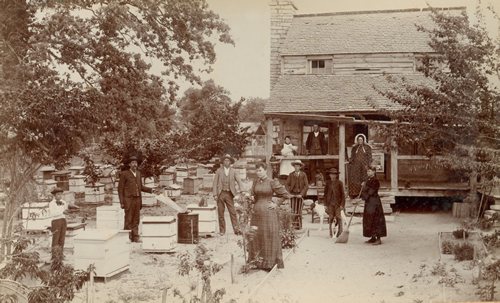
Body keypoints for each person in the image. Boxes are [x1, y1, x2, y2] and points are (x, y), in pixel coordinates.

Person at [248, 162, 292, 270]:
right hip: (257, 213)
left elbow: (286, 195)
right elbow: (254, 195)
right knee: (257, 235)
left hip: (268, 213)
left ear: (265, 171)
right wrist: (251, 198)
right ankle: (257, 262)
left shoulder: (272, 182)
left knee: (268, 235)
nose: (258, 173)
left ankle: (269, 263)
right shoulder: (255, 182)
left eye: (260, 170)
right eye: (257, 171)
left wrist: (276, 203)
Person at [118, 155, 157, 243]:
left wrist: (151, 190)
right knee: (128, 219)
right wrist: (122, 202)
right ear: (129, 164)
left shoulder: (139, 174)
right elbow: (120, 189)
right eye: (132, 163)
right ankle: (127, 237)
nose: (134, 165)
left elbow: (141, 187)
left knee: (136, 219)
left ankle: (135, 237)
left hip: (137, 200)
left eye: (135, 163)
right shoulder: (124, 174)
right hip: (128, 200)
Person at [212, 154, 243, 236]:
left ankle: (236, 230)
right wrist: (215, 194)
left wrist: (242, 191)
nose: (226, 162)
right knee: (220, 213)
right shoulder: (219, 171)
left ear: (230, 162)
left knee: (233, 212)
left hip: (230, 194)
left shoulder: (233, 171)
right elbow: (215, 183)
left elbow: (239, 181)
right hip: (221, 193)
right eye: (225, 160)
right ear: (223, 162)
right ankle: (222, 230)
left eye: (228, 160)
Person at [360, 166, 387, 245]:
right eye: (367, 171)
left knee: (376, 219)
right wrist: (363, 187)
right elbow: (366, 191)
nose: (368, 172)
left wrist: (364, 187)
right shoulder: (368, 180)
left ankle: (378, 239)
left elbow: (371, 192)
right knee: (369, 219)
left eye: (370, 171)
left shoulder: (375, 181)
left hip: (374, 202)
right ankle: (372, 237)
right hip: (369, 202)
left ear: (374, 172)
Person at [49, 187, 77, 260]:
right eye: (58, 194)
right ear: (54, 195)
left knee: (62, 238)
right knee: (56, 239)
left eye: (61, 194)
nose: (60, 196)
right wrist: (62, 212)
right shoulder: (51, 204)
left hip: (63, 221)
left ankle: (60, 255)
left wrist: (71, 213)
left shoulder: (64, 202)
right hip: (55, 221)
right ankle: (54, 256)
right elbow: (52, 213)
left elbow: (66, 211)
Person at [286, 160, 309, 229]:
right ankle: (293, 225)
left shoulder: (303, 174)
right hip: (293, 194)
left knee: (299, 210)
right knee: (293, 210)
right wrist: (289, 193)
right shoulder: (291, 174)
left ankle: (299, 225)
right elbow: (286, 184)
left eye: (298, 166)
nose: (296, 167)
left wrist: (301, 194)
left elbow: (306, 185)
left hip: (300, 195)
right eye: (295, 166)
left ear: (300, 167)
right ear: (294, 167)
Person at [348, 133, 372, 198]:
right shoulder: (354, 148)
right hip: (356, 166)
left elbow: (369, 157)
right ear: (357, 140)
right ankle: (355, 193)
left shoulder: (367, 147)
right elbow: (352, 157)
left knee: (364, 179)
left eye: (361, 140)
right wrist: (350, 161)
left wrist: (369, 164)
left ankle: (364, 193)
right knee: (355, 178)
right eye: (359, 140)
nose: (360, 141)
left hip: (364, 166)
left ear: (363, 140)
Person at [324, 168, 345, 238]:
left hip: (338, 204)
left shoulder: (339, 183)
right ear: (329, 175)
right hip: (330, 204)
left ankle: (340, 233)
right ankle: (331, 233)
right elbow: (325, 194)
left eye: (334, 174)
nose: (333, 176)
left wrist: (342, 204)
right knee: (331, 218)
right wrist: (325, 205)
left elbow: (343, 195)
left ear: (336, 175)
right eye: (331, 174)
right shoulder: (328, 183)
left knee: (338, 217)